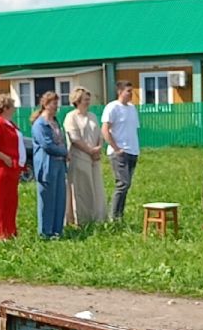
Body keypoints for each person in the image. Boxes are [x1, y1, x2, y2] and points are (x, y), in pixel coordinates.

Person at [63, 87, 106, 227]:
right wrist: (89, 150)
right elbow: (74, 138)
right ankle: (81, 220)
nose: (88, 102)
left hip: (94, 158)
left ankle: (97, 217)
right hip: (79, 157)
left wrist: (98, 148)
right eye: (85, 99)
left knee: (96, 188)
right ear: (77, 100)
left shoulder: (92, 116)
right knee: (82, 189)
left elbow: (99, 134)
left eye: (88, 99)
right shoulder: (71, 117)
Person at [0, 94, 24, 240]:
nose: (14, 109)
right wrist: (5, 157)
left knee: (11, 201)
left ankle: (10, 231)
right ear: (6, 108)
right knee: (1, 201)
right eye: (12, 106)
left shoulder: (10, 124)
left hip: (12, 168)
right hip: (2, 168)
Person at [30, 93, 69, 240]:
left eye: (56, 103)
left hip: (59, 164)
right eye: (53, 103)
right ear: (45, 104)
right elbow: (47, 145)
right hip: (46, 165)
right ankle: (45, 232)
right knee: (47, 199)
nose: (56, 106)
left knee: (59, 197)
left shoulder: (55, 122)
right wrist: (65, 151)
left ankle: (57, 230)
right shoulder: (40, 124)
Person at [101, 81, 140, 221]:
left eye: (131, 91)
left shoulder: (131, 108)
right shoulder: (112, 107)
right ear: (120, 92)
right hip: (119, 152)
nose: (131, 94)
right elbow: (105, 129)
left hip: (132, 151)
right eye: (128, 91)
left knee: (127, 185)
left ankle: (120, 216)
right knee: (122, 183)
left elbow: (133, 129)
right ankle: (113, 216)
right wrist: (116, 148)